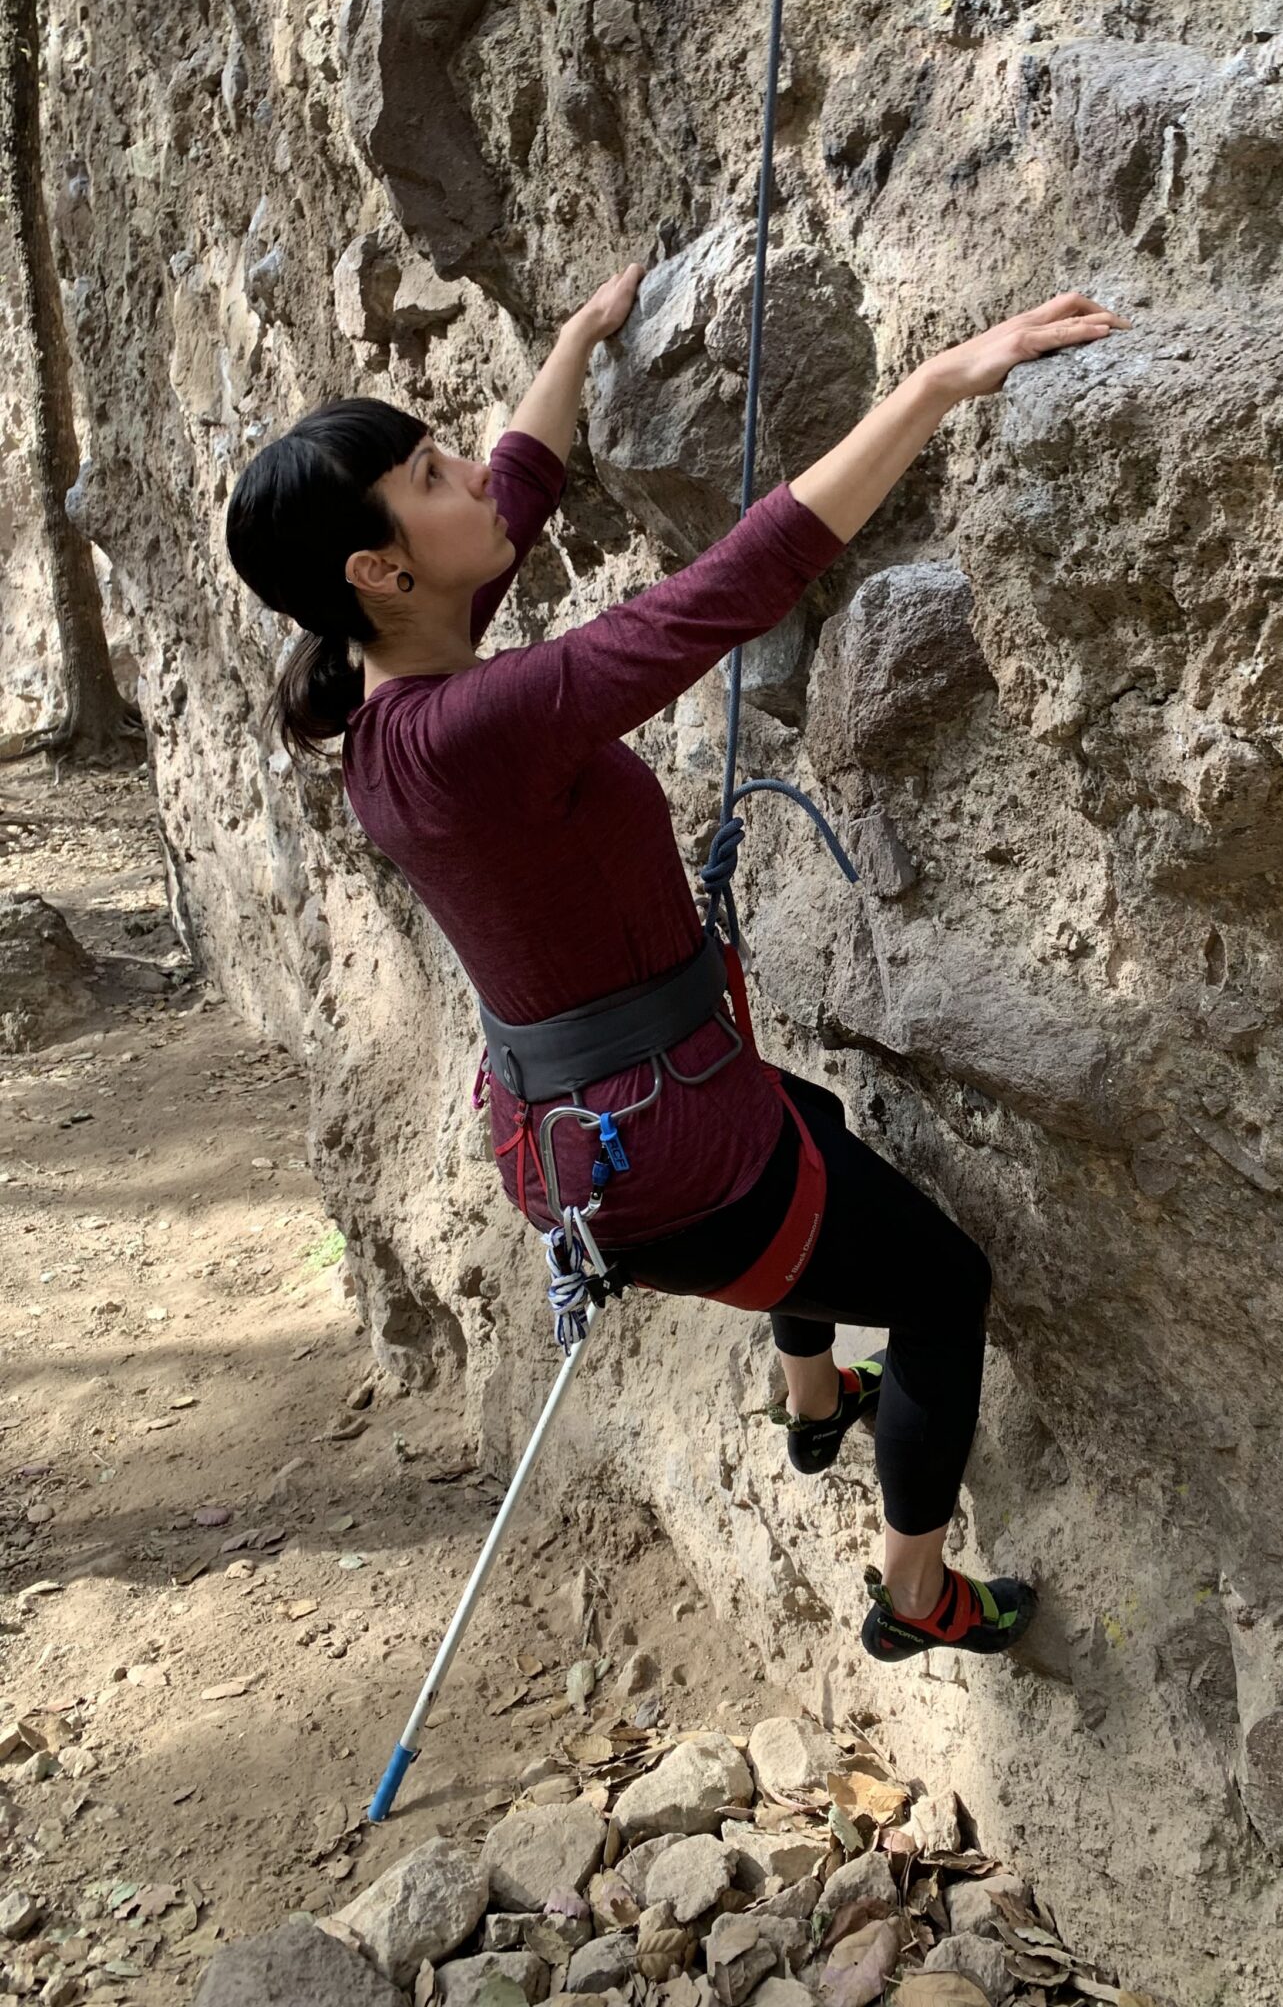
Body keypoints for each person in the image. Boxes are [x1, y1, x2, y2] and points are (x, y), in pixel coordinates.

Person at [224, 265, 1126, 1661]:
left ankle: (817, 1398)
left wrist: (581, 341)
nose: (465, 470)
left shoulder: (390, 696)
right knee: (946, 1286)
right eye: (427, 473)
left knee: (814, 1131)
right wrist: (939, 382)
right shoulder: (472, 731)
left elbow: (517, 485)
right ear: (378, 570)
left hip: (604, 1124)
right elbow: (726, 592)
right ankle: (918, 1596)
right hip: (675, 1157)